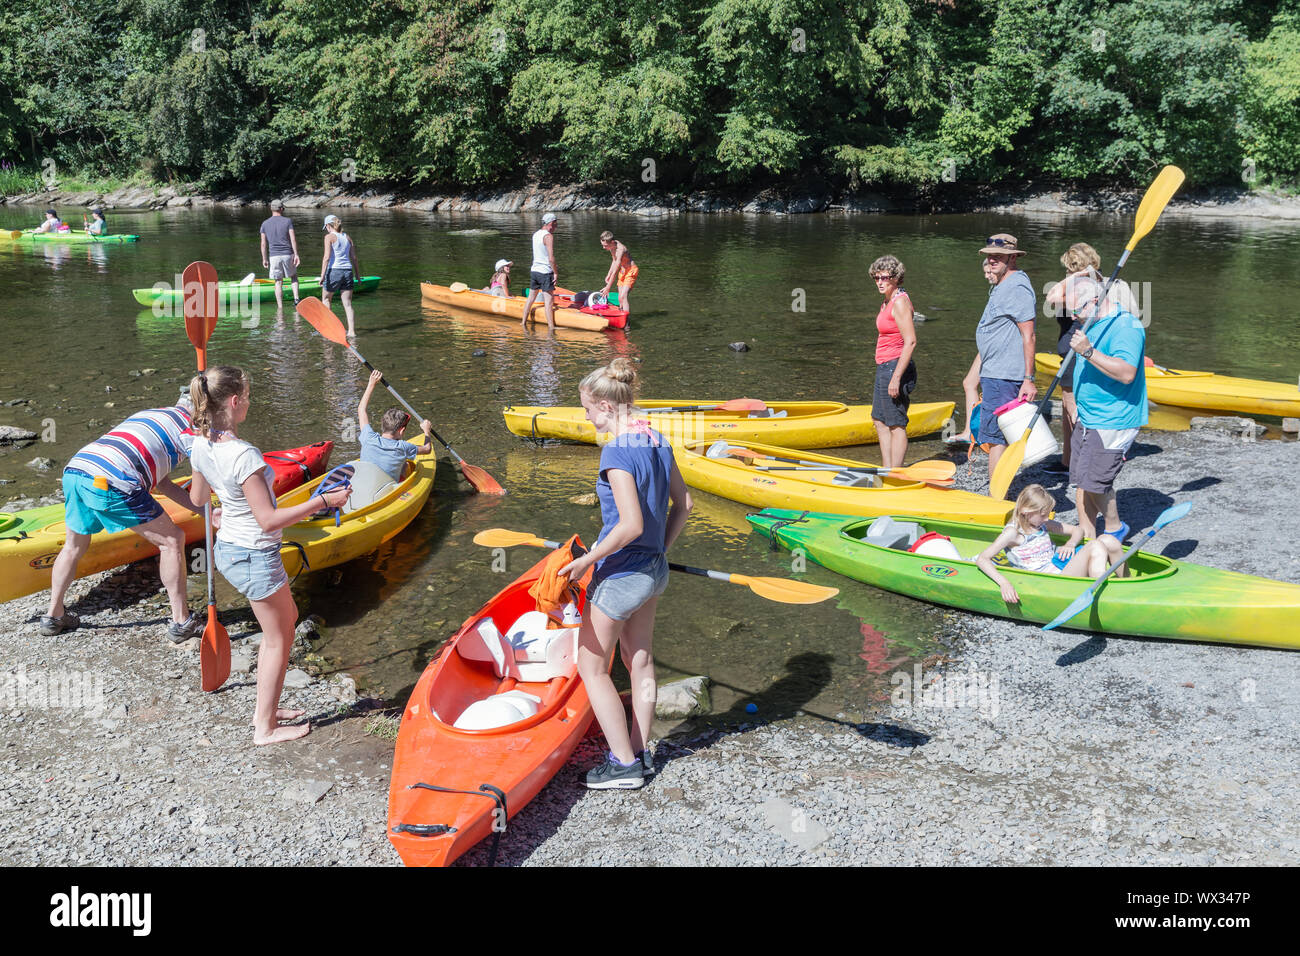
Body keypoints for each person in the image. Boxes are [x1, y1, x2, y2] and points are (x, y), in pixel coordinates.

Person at [186, 366, 352, 745]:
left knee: (286, 620)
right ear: (233, 401)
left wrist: (224, 509)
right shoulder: (245, 455)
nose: (249, 401)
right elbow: (267, 520)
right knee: (280, 637)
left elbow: (198, 500)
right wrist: (323, 501)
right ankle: (265, 727)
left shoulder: (199, 443)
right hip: (254, 556)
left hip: (229, 549)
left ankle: (268, 704)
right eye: (247, 395)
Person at [558, 358, 692, 789]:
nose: (586, 417)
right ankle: (640, 751)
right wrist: (659, 553)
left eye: (586, 409)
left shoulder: (616, 451)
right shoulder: (656, 438)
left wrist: (586, 560)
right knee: (641, 660)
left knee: (592, 667)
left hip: (620, 575)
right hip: (653, 570)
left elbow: (630, 524)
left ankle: (622, 765)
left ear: (603, 404)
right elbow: (684, 505)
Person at [40, 395, 203, 641]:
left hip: (77, 469)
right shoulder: (192, 431)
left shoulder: (151, 414)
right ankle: (181, 621)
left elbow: (162, 485)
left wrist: (204, 511)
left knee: (75, 545)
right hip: (113, 480)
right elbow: (203, 470)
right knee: (172, 540)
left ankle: (54, 616)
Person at [1043, 242, 1140, 475]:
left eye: (1069, 268)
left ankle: (1082, 459)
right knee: (1072, 409)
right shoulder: (1109, 285)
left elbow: (1052, 298)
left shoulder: (1082, 288)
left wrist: (1077, 276)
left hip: (1080, 352)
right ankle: (1068, 460)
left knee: (1074, 408)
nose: (1068, 273)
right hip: (1088, 353)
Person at [1063, 273, 1147, 541]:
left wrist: (1088, 351)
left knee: (1095, 482)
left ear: (1096, 301)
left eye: (1076, 312)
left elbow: (1126, 373)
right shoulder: (1094, 321)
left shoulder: (1127, 327)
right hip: (1088, 415)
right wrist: (1077, 402)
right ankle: (1086, 534)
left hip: (1114, 419)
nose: (1073, 318)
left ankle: (1114, 528)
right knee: (1080, 479)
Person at [963, 233, 1037, 486]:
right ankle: (999, 490)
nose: (992, 261)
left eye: (998, 257)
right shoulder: (1002, 283)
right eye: (989, 256)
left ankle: (996, 497)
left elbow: (1029, 335)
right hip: (995, 371)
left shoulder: (1017, 286)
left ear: (1013, 257)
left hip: (1005, 375)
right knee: (996, 436)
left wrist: (1029, 379)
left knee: (997, 438)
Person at [975, 483, 1124, 605]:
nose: (1047, 518)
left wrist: (1071, 544)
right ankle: (1102, 597)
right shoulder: (1013, 533)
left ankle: (1127, 584)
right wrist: (1004, 583)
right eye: (1043, 515)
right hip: (1050, 582)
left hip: (1059, 565)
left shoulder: (1041, 524)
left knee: (1108, 540)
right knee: (1095, 546)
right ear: (1026, 511)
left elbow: (1078, 530)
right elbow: (982, 559)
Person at [868, 255, 918, 469]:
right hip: (885, 366)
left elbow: (911, 341)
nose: (880, 282)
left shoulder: (900, 303)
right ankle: (887, 469)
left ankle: (896, 473)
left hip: (895, 367)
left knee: (896, 424)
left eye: (884, 277)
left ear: (896, 278)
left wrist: (896, 378)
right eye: (876, 278)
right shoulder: (888, 300)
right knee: (879, 420)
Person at [357, 369, 433, 482]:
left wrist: (371, 383)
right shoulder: (403, 447)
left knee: (404, 465)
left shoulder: (368, 437)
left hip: (364, 485)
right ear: (401, 431)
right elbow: (427, 449)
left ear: (383, 424)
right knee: (405, 465)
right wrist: (426, 432)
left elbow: (361, 410)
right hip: (385, 491)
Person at [320, 214, 360, 337]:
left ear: (328, 225)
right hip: (348, 271)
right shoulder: (348, 237)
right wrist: (358, 275)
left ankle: (329, 329)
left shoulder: (329, 237)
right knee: (347, 304)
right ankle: (352, 332)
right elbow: (354, 257)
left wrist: (322, 276)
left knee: (326, 299)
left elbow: (326, 258)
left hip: (334, 271)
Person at [519, 212, 558, 330]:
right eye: (555, 224)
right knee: (549, 301)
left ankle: (523, 322)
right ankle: (551, 328)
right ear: (550, 223)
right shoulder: (548, 236)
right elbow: (551, 258)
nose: (556, 227)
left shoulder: (535, 234)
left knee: (530, 298)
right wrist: (555, 272)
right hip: (545, 272)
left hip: (534, 271)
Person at [260, 199, 301, 309]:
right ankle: (297, 300)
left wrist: (264, 259)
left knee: (278, 282)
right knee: (293, 277)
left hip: (273, 256)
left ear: (271, 209)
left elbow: (263, 244)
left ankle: (280, 307)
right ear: (281, 209)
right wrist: (296, 254)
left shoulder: (264, 224)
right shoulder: (288, 221)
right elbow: (293, 239)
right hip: (288, 254)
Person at [599, 230, 637, 320]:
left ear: (612, 242)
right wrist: (609, 274)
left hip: (631, 271)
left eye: (605, 246)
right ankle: (621, 314)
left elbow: (615, 272)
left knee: (623, 296)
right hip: (622, 272)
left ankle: (626, 320)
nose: (604, 248)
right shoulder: (612, 247)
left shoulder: (620, 249)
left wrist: (608, 287)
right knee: (620, 298)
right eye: (602, 245)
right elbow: (614, 261)